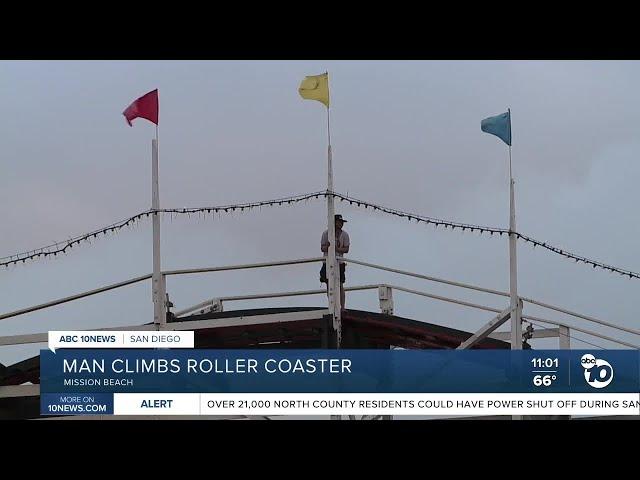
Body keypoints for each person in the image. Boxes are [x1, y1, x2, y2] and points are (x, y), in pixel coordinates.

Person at [320, 214, 350, 309]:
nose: (341, 224)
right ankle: (332, 305)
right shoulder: (326, 233)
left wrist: (336, 249)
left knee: (340, 284)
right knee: (329, 283)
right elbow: (322, 248)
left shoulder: (344, 234)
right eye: (339, 222)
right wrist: (329, 247)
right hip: (327, 262)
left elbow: (346, 249)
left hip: (339, 262)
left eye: (341, 222)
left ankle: (342, 306)